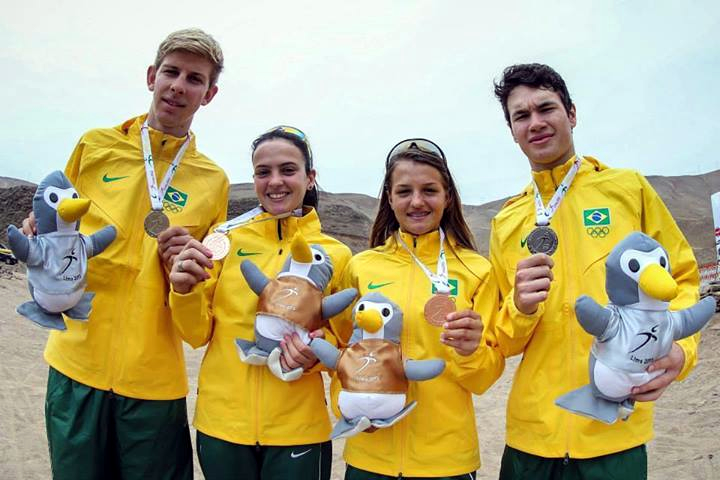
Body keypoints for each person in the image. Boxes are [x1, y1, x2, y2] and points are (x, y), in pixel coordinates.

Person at [22, 28, 228, 479]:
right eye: (171, 72)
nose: (179, 86)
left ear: (209, 95)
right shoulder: (95, 145)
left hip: (153, 384)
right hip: (75, 365)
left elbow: (199, 323)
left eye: (195, 79)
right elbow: (54, 228)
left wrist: (184, 279)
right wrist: (36, 233)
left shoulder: (213, 182)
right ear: (152, 76)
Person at [489, 63, 702, 479]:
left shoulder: (628, 190)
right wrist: (519, 308)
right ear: (512, 131)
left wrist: (681, 350)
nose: (535, 122)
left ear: (571, 114)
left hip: (615, 434)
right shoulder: (507, 222)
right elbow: (503, 339)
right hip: (532, 438)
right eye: (521, 115)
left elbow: (680, 278)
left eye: (546, 108)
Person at [168, 126, 351, 480]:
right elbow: (195, 334)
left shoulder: (336, 255)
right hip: (222, 425)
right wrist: (184, 291)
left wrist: (314, 355)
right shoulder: (224, 240)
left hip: (299, 429)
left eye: (288, 170)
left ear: (310, 178)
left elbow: (346, 346)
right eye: (263, 172)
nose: (275, 181)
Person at [334, 138, 505, 479]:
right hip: (370, 456)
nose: (416, 202)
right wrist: (351, 407)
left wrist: (470, 351)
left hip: (447, 459)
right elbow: (342, 352)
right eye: (404, 191)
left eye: (429, 190)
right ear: (389, 197)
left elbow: (485, 378)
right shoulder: (361, 267)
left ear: (447, 196)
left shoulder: (477, 271)